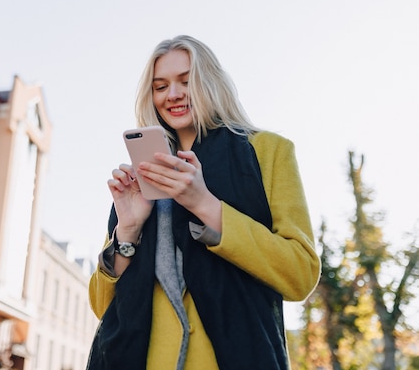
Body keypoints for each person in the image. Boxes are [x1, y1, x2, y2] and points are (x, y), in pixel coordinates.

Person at [86, 35, 321, 370]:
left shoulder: (268, 152)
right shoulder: (143, 175)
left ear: (210, 83)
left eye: (186, 81)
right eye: (161, 86)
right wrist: (127, 230)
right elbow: (101, 306)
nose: (174, 94)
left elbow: (300, 275)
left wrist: (205, 205)